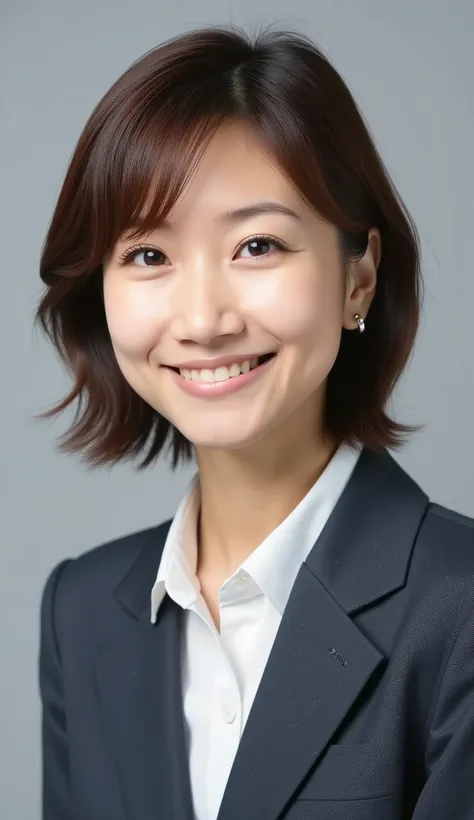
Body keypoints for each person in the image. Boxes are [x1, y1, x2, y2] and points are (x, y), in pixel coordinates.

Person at [36, 23, 474, 820]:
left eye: (258, 245)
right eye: (147, 256)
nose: (203, 319)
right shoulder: (81, 610)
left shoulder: (460, 606)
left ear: (359, 280)